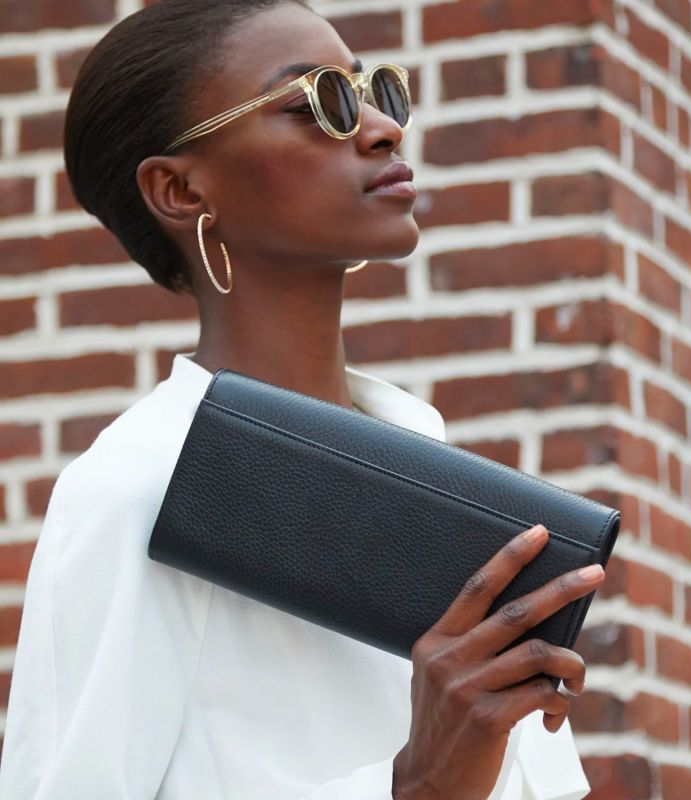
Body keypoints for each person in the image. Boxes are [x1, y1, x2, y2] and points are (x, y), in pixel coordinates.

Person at [0, 1, 605, 798]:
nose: (383, 130)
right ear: (179, 189)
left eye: (374, 91)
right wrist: (413, 786)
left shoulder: (431, 466)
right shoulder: (140, 488)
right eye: (316, 103)